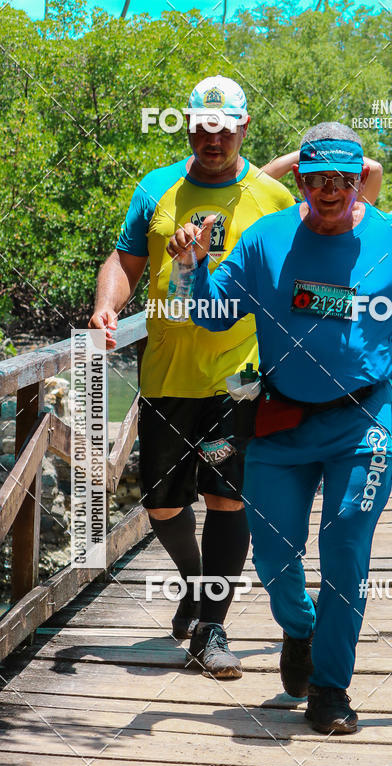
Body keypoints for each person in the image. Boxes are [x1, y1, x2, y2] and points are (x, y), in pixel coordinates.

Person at [167, 122, 392, 732]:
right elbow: (210, 314)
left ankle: (331, 689)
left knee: (347, 547)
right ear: (300, 179)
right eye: (320, 178)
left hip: (364, 419)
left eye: (344, 179)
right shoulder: (263, 240)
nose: (332, 190)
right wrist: (191, 267)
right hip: (281, 417)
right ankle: (298, 629)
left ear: (360, 180)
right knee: (275, 558)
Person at [89, 75, 294, 679]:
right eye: (204, 127)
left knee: (228, 500)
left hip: (239, 375)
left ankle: (211, 628)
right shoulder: (157, 189)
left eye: (226, 127)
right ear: (189, 127)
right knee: (161, 504)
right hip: (165, 373)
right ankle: (199, 586)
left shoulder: (272, 198)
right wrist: (108, 305)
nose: (214, 137)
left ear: (243, 128)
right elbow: (124, 262)